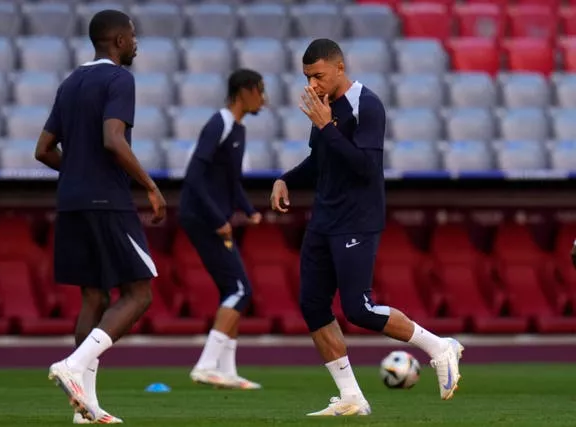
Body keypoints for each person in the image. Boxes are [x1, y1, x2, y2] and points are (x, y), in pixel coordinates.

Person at [269, 38, 464, 417]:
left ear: (340, 68)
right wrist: (285, 178)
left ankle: (439, 346)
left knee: (358, 308)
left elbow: (364, 167)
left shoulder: (366, 104)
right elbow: (320, 160)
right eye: (308, 77)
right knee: (312, 305)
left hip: (357, 219)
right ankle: (351, 398)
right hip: (324, 218)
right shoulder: (323, 107)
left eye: (319, 76)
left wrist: (327, 127)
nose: (313, 85)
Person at [34, 9, 166, 424]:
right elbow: (113, 139)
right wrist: (149, 184)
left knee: (93, 297)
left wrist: (75, 170)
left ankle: (85, 409)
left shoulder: (70, 82)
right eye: (133, 36)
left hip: (70, 201)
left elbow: (42, 149)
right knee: (139, 292)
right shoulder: (118, 79)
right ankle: (74, 366)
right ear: (119, 41)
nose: (136, 43)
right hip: (107, 201)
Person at [179, 69, 267, 390]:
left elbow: (231, 181)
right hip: (200, 216)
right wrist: (218, 219)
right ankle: (205, 365)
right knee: (241, 290)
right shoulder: (219, 123)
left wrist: (249, 210)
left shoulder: (239, 129)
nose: (265, 99)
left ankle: (227, 371)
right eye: (260, 91)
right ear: (244, 91)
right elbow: (193, 177)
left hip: (212, 216)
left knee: (234, 290)